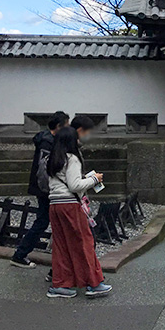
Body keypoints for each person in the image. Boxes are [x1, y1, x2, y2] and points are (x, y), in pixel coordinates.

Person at [46, 126, 111, 299]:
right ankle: (94, 283)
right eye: (76, 138)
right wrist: (93, 179)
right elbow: (75, 185)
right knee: (84, 243)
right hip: (70, 205)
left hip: (55, 204)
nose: (78, 141)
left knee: (61, 246)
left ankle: (61, 284)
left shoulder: (52, 158)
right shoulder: (72, 158)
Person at [10, 111, 69, 269]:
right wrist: (49, 190)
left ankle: (23, 254)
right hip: (45, 189)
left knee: (45, 221)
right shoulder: (47, 142)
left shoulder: (48, 139)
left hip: (45, 188)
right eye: (66, 126)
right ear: (58, 126)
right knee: (43, 221)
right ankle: (20, 254)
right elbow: (43, 170)